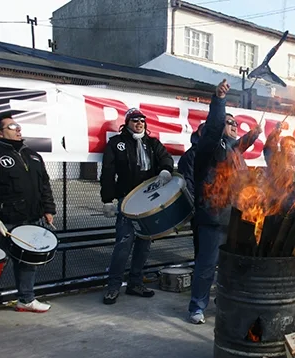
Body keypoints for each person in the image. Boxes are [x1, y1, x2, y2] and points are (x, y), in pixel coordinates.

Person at [190, 79, 262, 324]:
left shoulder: (234, 151)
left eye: (235, 123)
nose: (233, 126)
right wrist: (219, 100)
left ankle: (225, 301)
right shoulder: (210, 147)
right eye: (229, 122)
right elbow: (213, 127)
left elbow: (242, 144)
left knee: (230, 266)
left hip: (236, 217)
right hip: (213, 216)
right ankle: (197, 307)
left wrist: (255, 134)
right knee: (206, 265)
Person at [100, 108, 174, 305]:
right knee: (124, 243)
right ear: (127, 123)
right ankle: (114, 286)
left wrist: (166, 170)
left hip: (149, 200)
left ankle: (135, 283)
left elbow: (165, 158)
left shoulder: (152, 143)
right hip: (127, 199)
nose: (139, 123)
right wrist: (107, 199)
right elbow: (108, 172)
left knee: (144, 243)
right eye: (135, 120)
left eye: (142, 120)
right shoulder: (117, 143)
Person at [0, 113, 55, 312]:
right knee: (0, 262)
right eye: (12, 126)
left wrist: (48, 209)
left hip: (30, 219)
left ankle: (26, 299)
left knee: (27, 262)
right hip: (5, 222)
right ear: (0, 132)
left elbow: (44, 185)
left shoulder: (32, 154)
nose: (18, 129)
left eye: (18, 126)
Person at [178, 123, 204, 257]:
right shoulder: (191, 156)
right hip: (202, 208)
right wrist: (197, 206)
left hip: (216, 209)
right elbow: (188, 183)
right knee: (202, 247)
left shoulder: (217, 152)